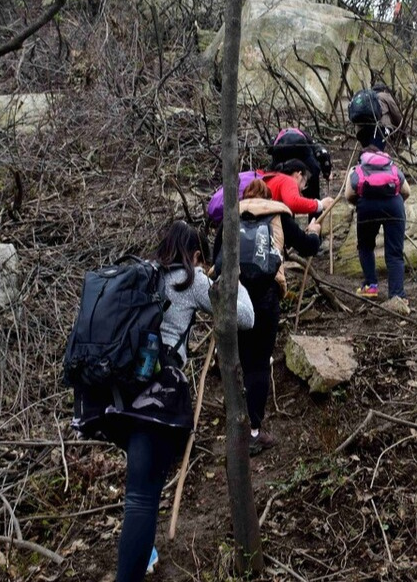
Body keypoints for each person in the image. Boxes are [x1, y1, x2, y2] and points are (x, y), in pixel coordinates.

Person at [114, 221, 255, 582]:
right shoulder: (190, 280)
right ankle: (131, 570)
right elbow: (245, 318)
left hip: (120, 392)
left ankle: (143, 551)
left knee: (138, 488)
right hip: (157, 395)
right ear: (195, 255)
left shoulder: (142, 275)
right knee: (143, 498)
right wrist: (231, 277)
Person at [227, 181, 322, 454]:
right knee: (258, 365)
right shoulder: (278, 215)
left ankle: (236, 424)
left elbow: (216, 261)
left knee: (240, 362)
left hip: (234, 295)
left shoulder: (231, 217)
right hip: (265, 296)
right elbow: (308, 247)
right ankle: (254, 432)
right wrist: (314, 231)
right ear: (268, 197)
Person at [345, 147, 411, 315]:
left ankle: (370, 287)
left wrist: (362, 203)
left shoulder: (357, 169)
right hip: (394, 206)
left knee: (366, 247)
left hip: (367, 206)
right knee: (395, 253)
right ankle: (397, 296)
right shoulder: (391, 166)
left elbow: (348, 195)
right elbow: (407, 191)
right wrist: (394, 202)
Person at [268, 127, 330, 200]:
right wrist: (327, 173)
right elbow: (323, 153)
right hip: (301, 149)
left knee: (275, 176)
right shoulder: (308, 138)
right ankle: (314, 202)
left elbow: (269, 150)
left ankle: (275, 199)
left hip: (280, 151)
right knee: (314, 171)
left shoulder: (276, 138)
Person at [264, 159, 334, 216]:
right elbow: (293, 203)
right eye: (305, 183)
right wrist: (320, 204)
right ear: (299, 175)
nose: (303, 188)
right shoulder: (288, 181)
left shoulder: (274, 178)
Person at [354, 83, 402, 151]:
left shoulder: (366, 97)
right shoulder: (384, 95)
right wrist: (403, 132)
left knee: (367, 153)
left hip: (360, 131)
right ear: (384, 90)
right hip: (379, 128)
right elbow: (396, 114)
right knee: (375, 153)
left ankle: (363, 160)